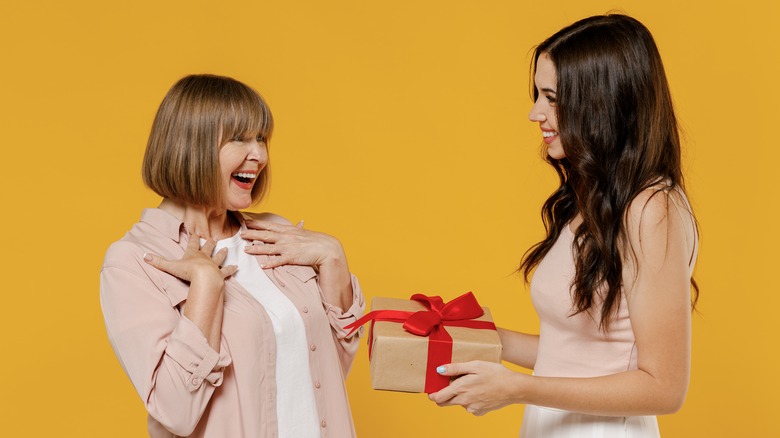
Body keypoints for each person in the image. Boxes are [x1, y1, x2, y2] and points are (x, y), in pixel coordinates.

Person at [429, 14, 699, 437]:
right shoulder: (593, 199)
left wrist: (518, 388)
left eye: (552, 97)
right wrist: (478, 338)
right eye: (537, 93)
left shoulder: (651, 209)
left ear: (602, 101)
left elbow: (664, 387)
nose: (535, 112)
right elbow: (572, 354)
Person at [100, 74, 365, 438]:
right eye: (241, 138)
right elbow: (175, 412)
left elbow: (327, 371)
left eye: (261, 138)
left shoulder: (276, 235)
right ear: (192, 143)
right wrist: (207, 286)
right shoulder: (134, 262)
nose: (260, 155)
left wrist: (333, 258)